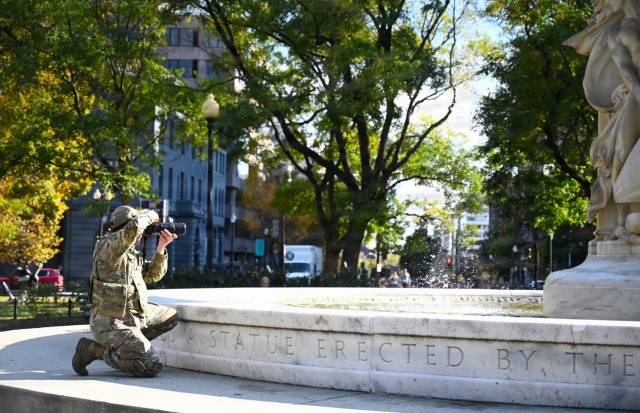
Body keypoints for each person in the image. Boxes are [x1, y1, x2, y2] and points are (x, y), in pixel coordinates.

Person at [72, 205, 179, 378]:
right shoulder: (109, 246)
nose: (143, 232)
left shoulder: (129, 254)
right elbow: (135, 227)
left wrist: (161, 248)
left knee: (170, 317)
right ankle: (95, 350)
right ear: (127, 227)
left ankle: (130, 348)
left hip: (133, 315)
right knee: (151, 366)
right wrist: (151, 215)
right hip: (111, 321)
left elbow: (152, 276)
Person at [564, 0, 640, 240]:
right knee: (619, 155)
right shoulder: (616, 33)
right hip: (634, 97)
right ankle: (620, 223)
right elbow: (626, 70)